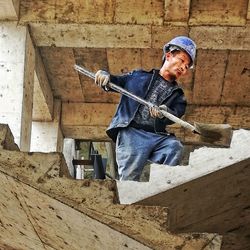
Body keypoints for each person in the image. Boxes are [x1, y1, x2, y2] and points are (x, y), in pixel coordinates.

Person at [95, 36, 196, 181]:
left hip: (157, 136)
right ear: (168, 56)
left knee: (174, 147)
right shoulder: (137, 77)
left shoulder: (178, 95)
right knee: (129, 180)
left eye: (187, 66)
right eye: (182, 60)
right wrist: (105, 76)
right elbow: (115, 81)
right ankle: (127, 201)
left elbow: (176, 113)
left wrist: (164, 113)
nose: (183, 68)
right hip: (132, 133)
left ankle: (161, 188)